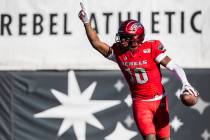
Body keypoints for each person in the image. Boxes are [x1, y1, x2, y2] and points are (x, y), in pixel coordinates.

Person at [78, 3, 198, 140]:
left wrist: (186, 83)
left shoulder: (151, 48)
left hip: (160, 102)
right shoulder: (119, 52)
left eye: (125, 37)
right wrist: (86, 23)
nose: (121, 40)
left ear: (135, 39)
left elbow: (174, 66)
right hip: (141, 103)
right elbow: (96, 43)